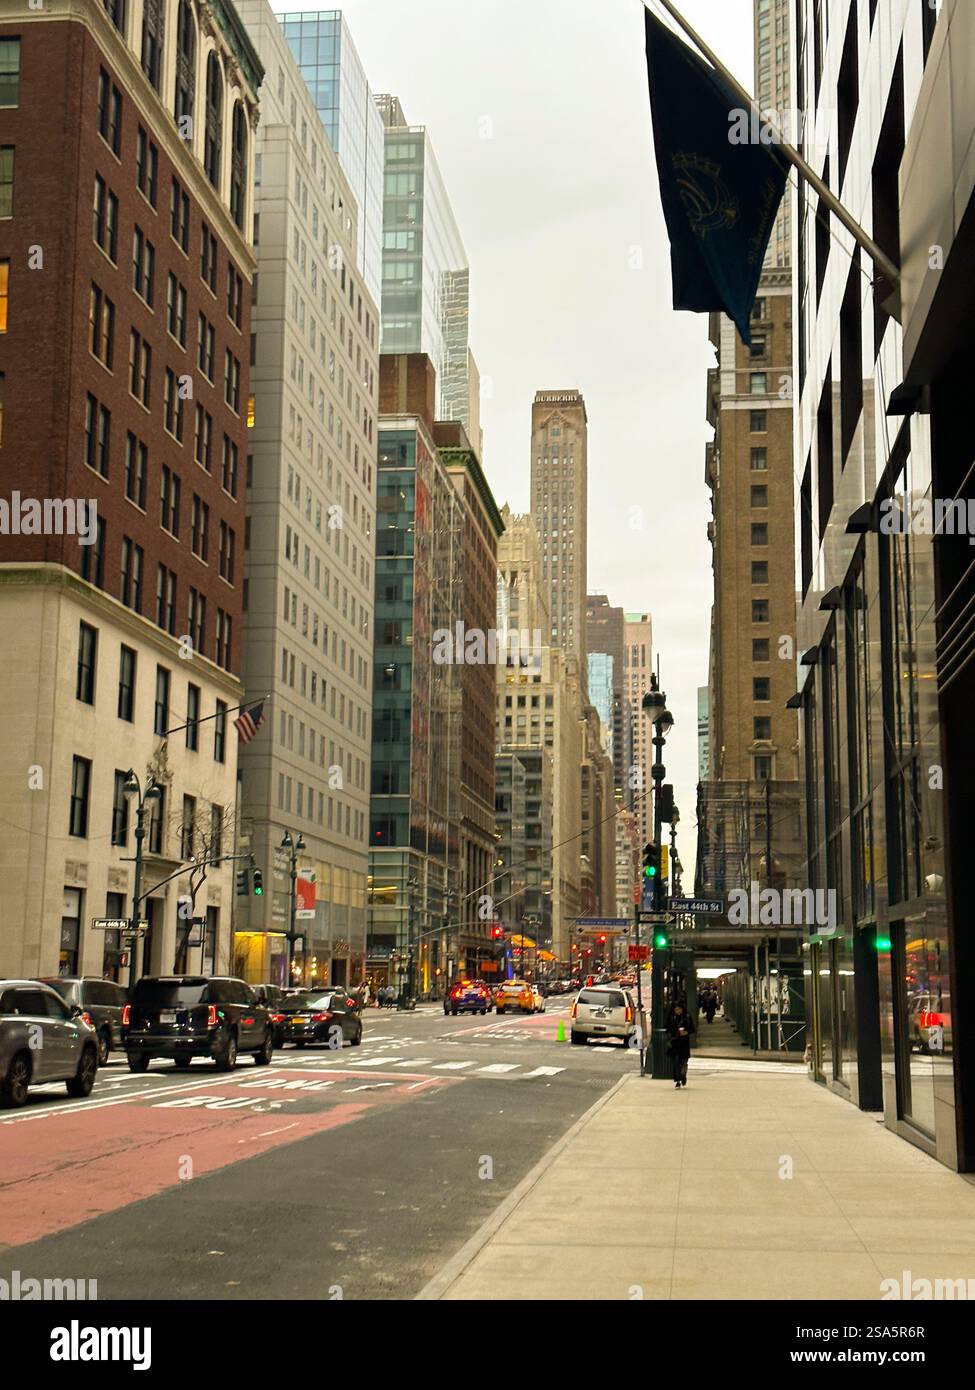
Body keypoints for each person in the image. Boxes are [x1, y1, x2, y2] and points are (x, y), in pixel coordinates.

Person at [666, 998, 696, 1088]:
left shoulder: (687, 1017)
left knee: (684, 1061)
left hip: (684, 1042)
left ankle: (683, 1075)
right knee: (676, 1061)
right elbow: (667, 1028)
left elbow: (692, 1029)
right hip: (675, 1042)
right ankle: (678, 1080)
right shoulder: (671, 1018)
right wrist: (672, 1033)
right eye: (676, 1010)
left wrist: (686, 1032)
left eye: (679, 1009)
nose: (677, 1011)